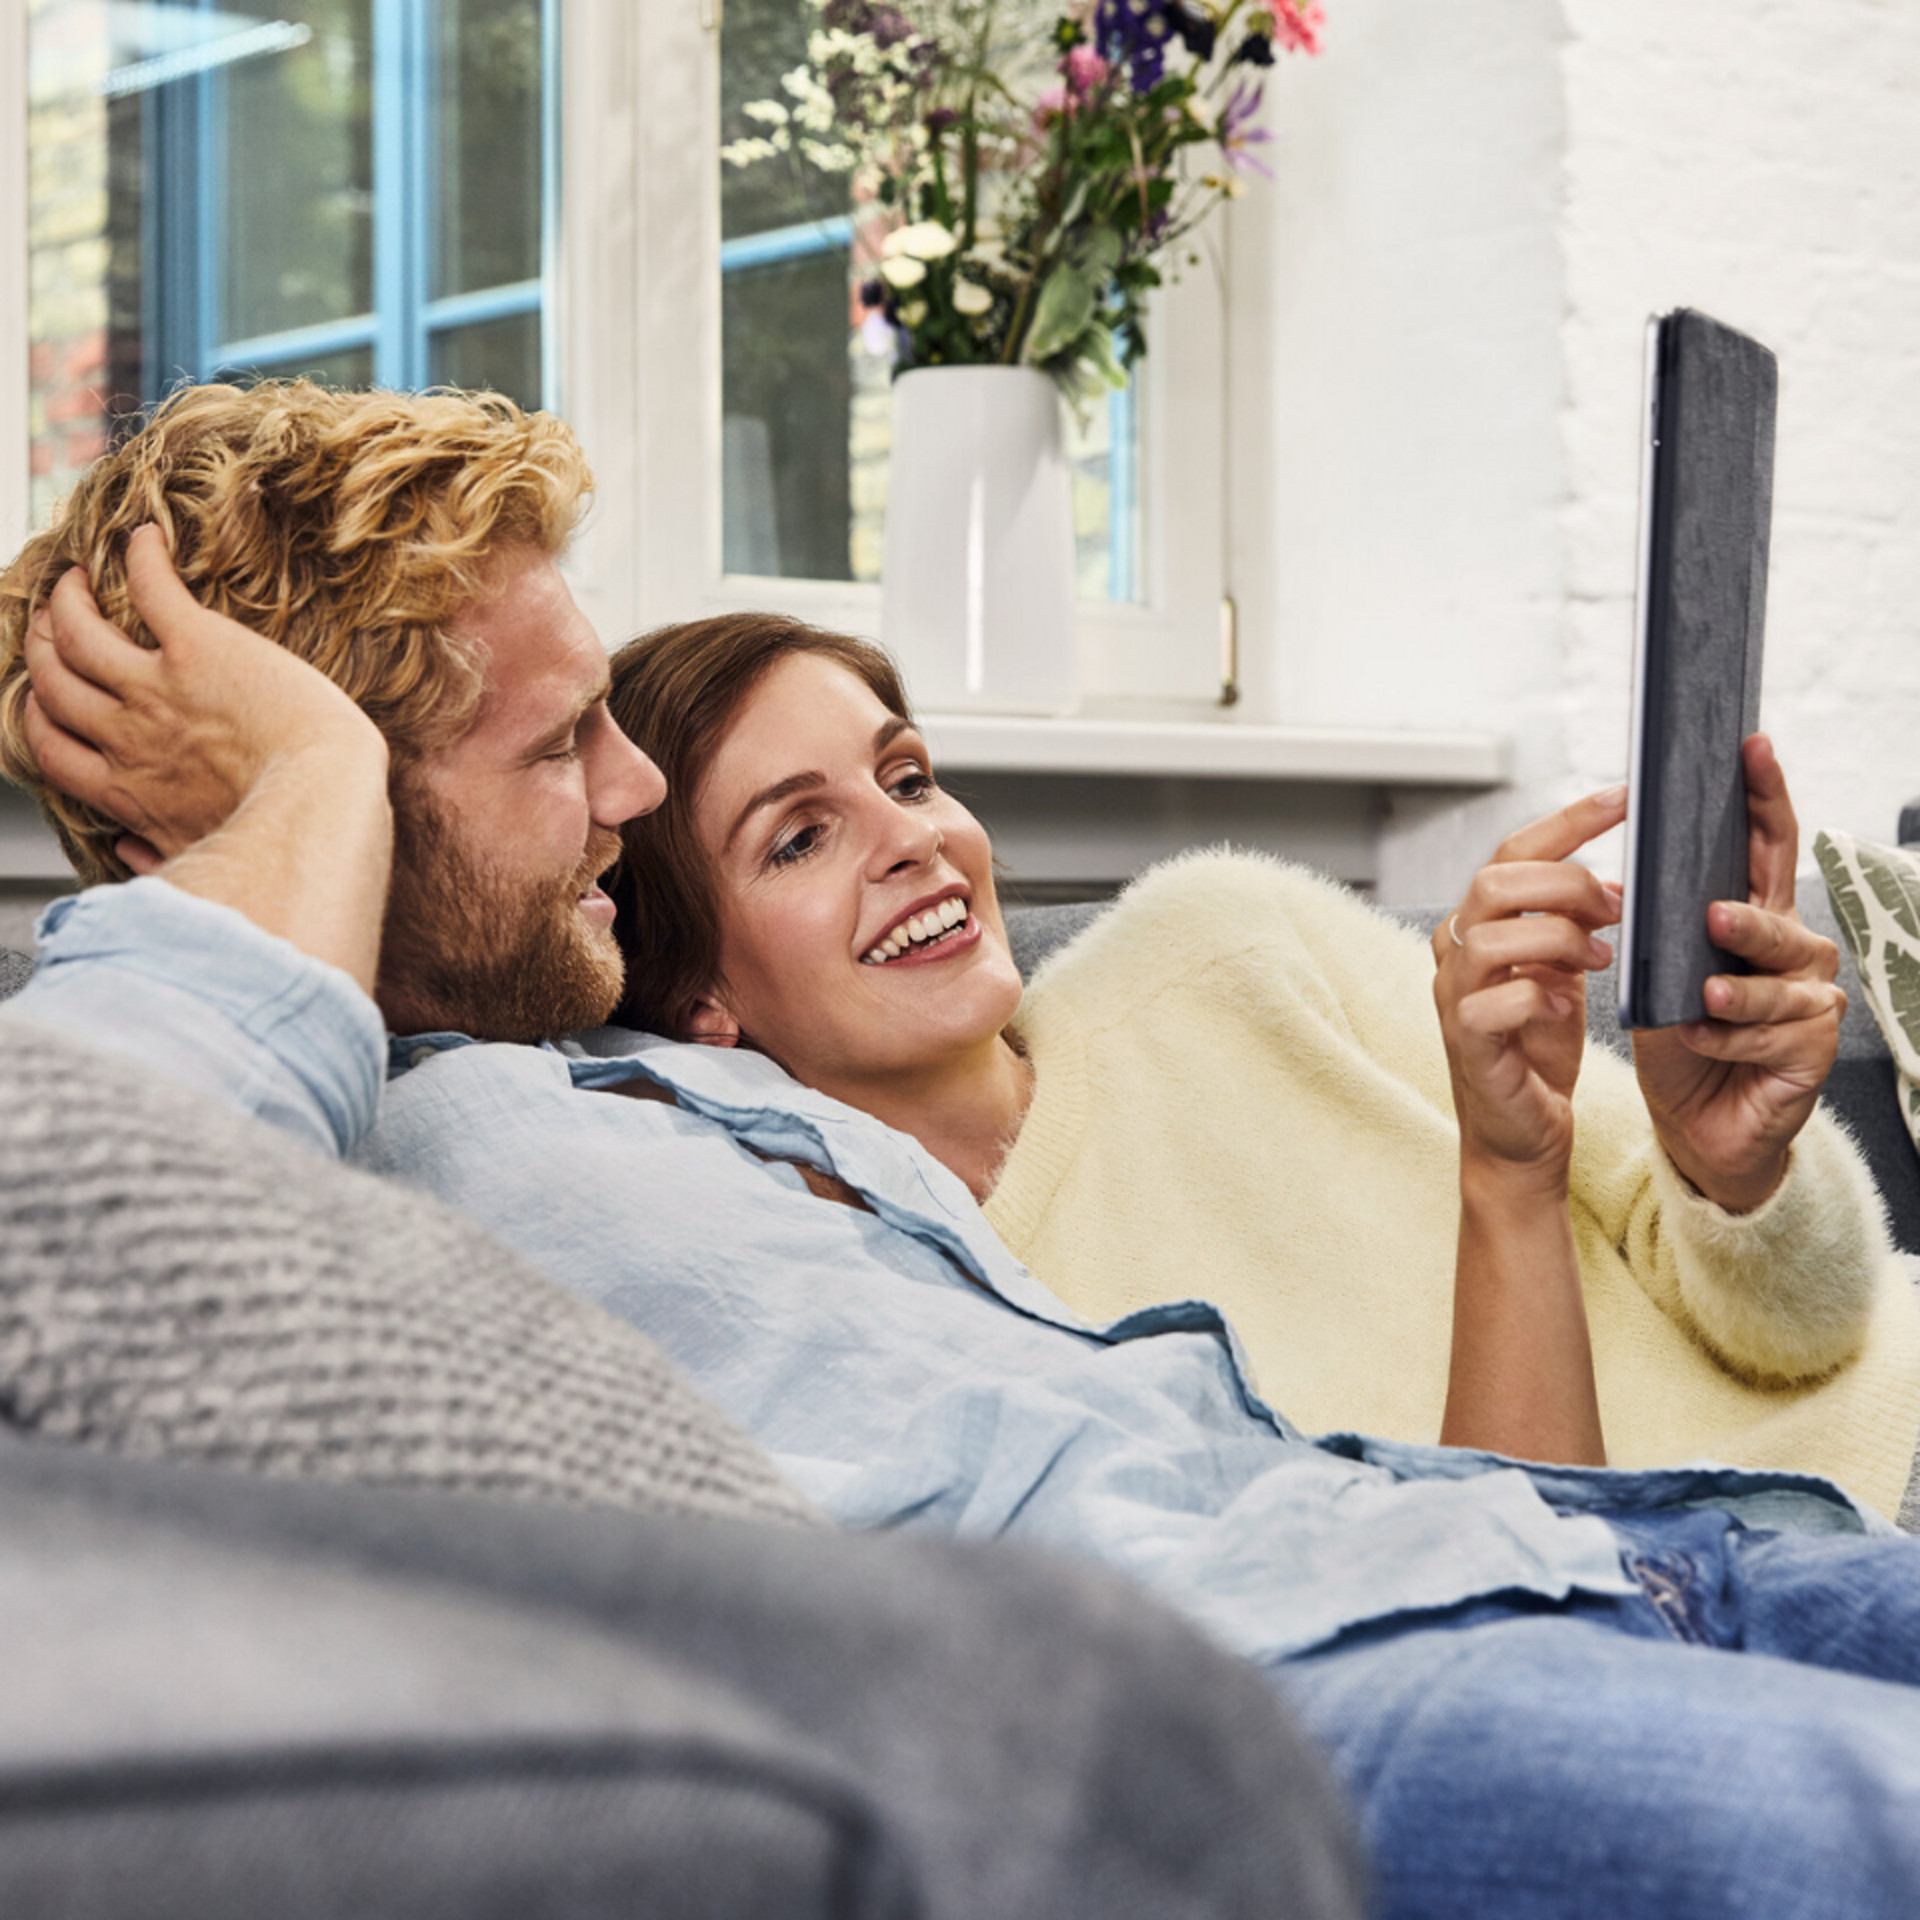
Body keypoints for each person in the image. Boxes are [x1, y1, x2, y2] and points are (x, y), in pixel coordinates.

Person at [9, 382, 1920, 1920]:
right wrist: (312, 784)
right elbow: (68, 1228)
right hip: (1290, 1677)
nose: (634, 790)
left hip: (1550, 1548)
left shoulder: (702, 1091)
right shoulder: (273, 1125)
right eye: (558, 749)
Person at [603, 613, 1920, 1515]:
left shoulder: (1223, 941)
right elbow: (1527, 1613)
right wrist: (1509, 1178)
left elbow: (1814, 1325)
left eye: (909, 775)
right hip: (1758, 1600)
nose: (912, 841)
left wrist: (1730, 1169)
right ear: (700, 995)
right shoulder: (940, 1340)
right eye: (798, 839)